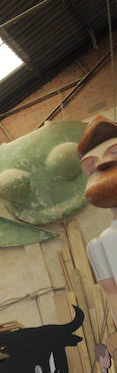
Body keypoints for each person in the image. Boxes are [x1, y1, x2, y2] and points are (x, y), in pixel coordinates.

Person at [81, 115, 117, 327]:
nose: (102, 162)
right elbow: (112, 295)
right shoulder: (98, 246)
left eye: (113, 153)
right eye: (90, 164)